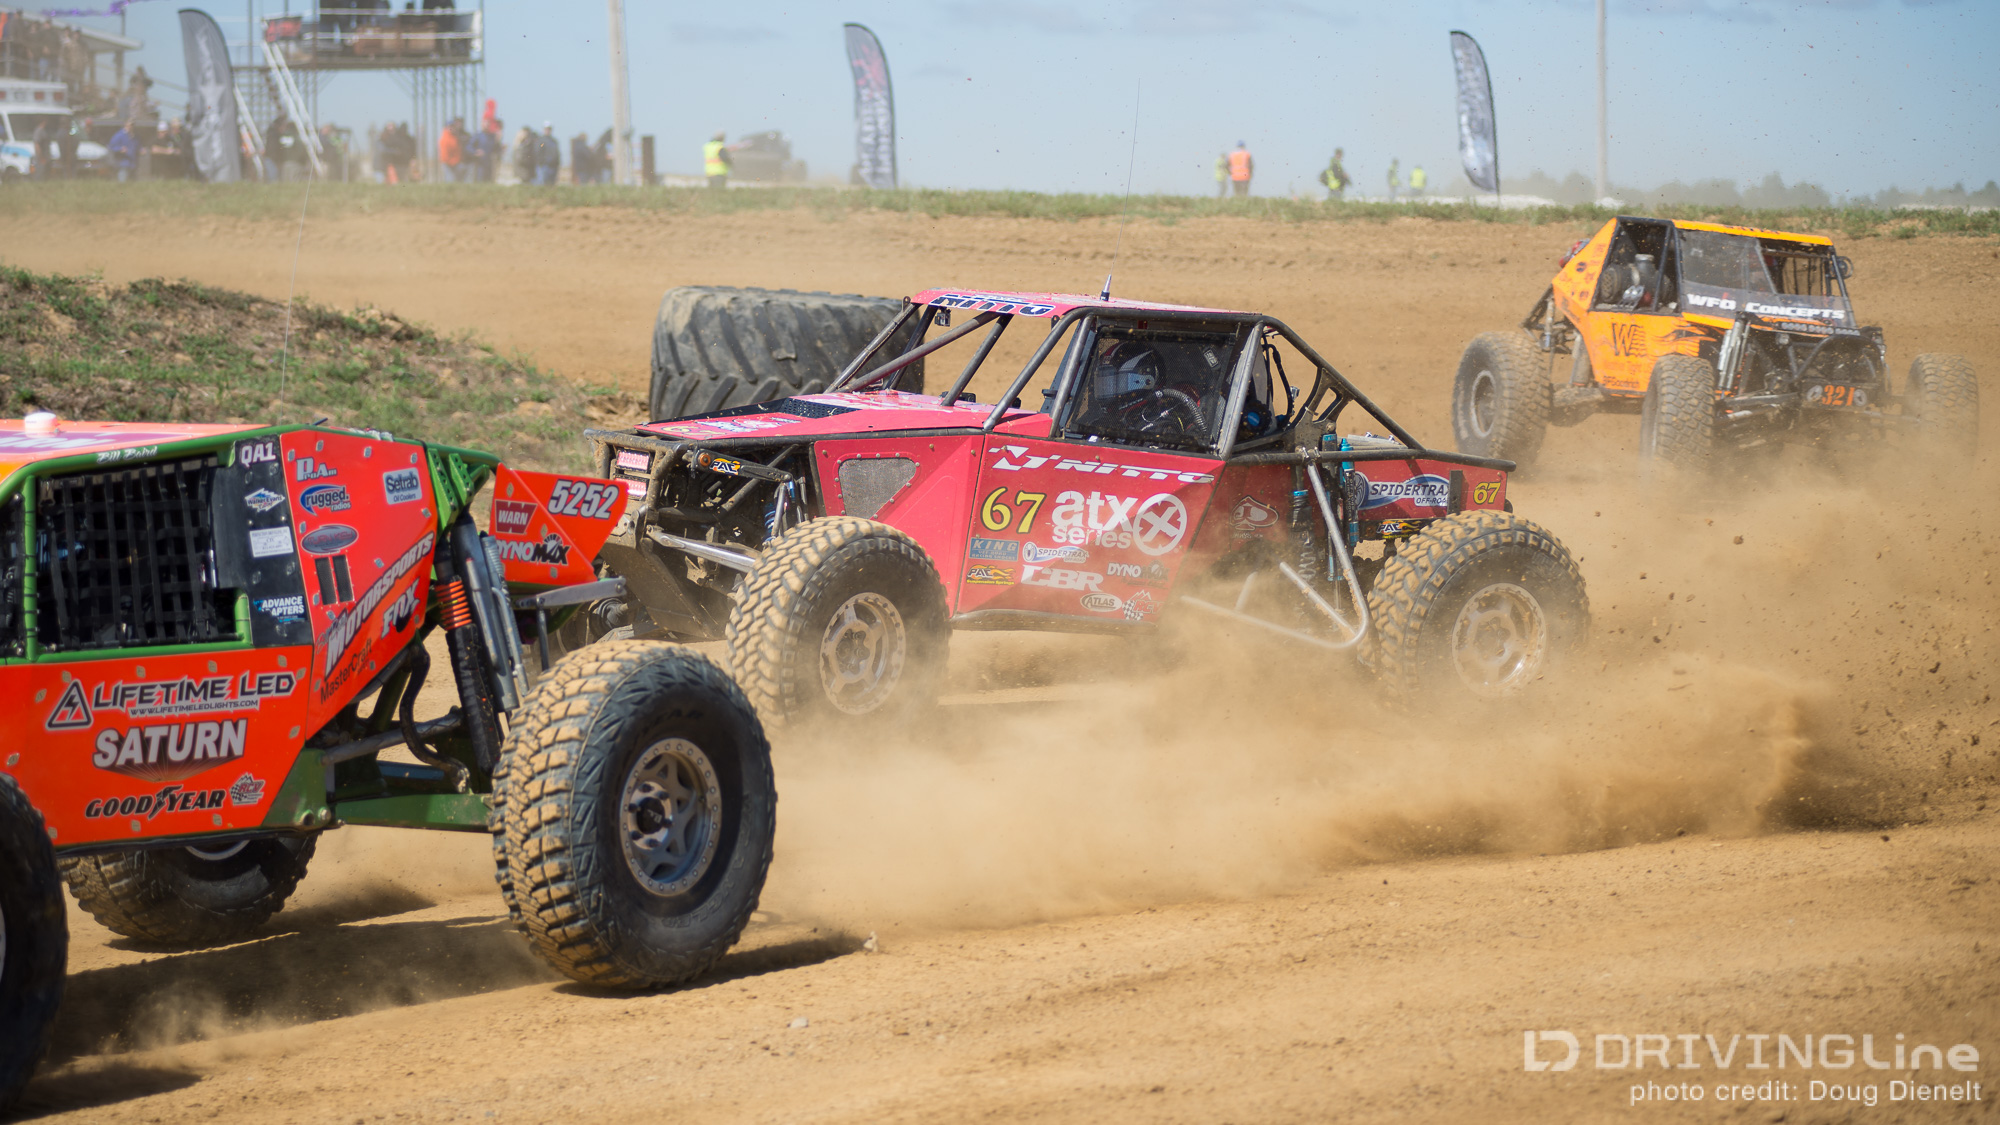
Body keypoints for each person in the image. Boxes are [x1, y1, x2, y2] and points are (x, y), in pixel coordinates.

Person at [437, 117, 464, 182]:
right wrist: (453, 162)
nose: (452, 128)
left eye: (453, 126)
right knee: (450, 180)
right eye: (450, 126)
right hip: (448, 164)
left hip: (455, 163)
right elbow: (445, 155)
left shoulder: (455, 137)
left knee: (458, 179)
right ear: (446, 127)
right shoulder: (445, 139)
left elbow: (458, 151)